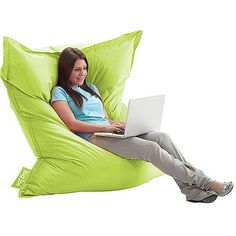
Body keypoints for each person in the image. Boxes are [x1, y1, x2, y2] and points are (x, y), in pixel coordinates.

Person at [50, 47, 233, 203]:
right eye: (76, 70)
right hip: (94, 137)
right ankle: (206, 182)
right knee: (151, 149)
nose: (82, 73)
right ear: (66, 70)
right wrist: (105, 128)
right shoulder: (60, 92)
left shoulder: (92, 88)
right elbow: (72, 124)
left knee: (162, 137)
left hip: (109, 130)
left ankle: (191, 191)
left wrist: (119, 124)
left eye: (84, 68)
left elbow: (103, 117)